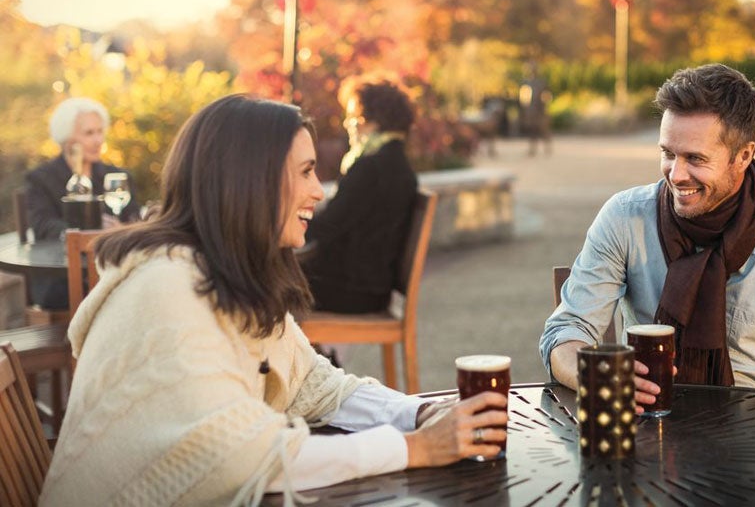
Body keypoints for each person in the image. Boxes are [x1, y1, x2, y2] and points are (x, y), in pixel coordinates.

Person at [41, 95, 508, 505]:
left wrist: (419, 413)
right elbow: (238, 458)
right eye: (305, 172)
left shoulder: (225, 272)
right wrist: (416, 449)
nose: (317, 192)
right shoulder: (169, 288)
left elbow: (312, 383)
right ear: (250, 180)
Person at [539, 63, 755, 410]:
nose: (676, 174)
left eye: (695, 159)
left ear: (744, 155)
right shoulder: (624, 219)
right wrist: (596, 375)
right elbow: (565, 333)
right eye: (668, 153)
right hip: (645, 435)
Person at [303, 79, 418, 314]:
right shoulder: (398, 166)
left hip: (352, 291)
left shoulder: (371, 167)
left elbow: (328, 226)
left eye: (355, 117)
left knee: (269, 286)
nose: (348, 124)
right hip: (371, 289)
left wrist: (284, 227)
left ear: (375, 121)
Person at [24, 97, 141, 309]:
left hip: (113, 268)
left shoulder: (118, 176)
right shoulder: (41, 179)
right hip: (61, 278)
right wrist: (84, 236)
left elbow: (136, 221)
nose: (98, 140)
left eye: (100, 131)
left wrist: (121, 230)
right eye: (89, 133)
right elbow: (42, 224)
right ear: (66, 139)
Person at [518, 62, 552, 157]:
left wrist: (545, 105)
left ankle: (547, 148)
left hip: (541, 109)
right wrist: (525, 108)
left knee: (544, 129)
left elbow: (547, 95)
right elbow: (523, 96)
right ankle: (532, 149)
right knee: (532, 130)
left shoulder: (542, 82)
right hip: (531, 109)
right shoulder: (526, 82)